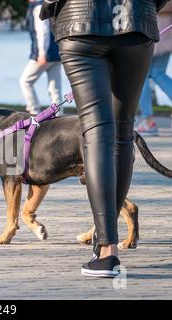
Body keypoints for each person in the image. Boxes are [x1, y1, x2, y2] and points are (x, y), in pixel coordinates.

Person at [42, 0, 169, 277]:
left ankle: (107, 248)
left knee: (97, 131)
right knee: (122, 132)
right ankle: (106, 247)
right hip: (136, 24)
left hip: (79, 23)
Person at [20, 0, 62, 116]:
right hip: (56, 53)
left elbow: (42, 32)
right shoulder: (49, 5)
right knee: (55, 88)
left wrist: (42, 53)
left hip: (44, 54)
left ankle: (33, 111)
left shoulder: (38, 7)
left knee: (25, 81)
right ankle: (58, 115)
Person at [136, 2, 172, 136]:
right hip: (165, 29)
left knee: (142, 74)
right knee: (157, 72)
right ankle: (148, 120)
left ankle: (148, 120)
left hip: (153, 28)